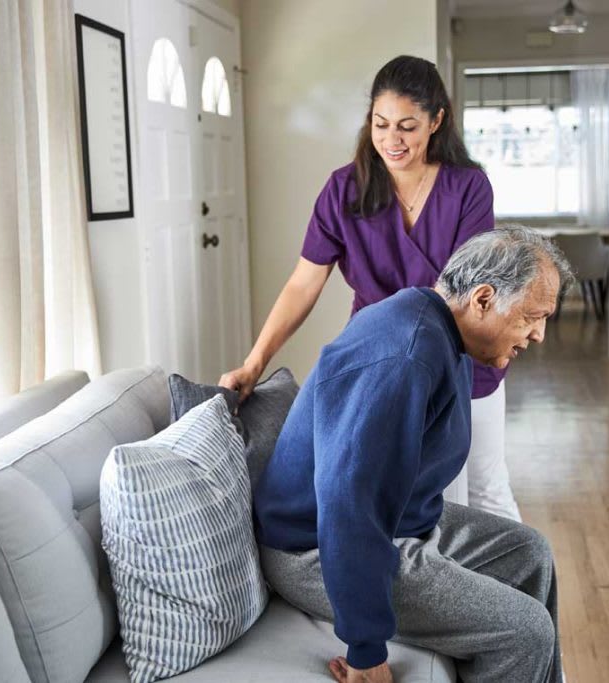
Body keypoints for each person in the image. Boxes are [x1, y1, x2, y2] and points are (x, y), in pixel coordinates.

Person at [254, 227, 573, 683]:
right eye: (531, 317)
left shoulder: (444, 331)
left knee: (529, 552)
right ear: (482, 299)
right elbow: (348, 504)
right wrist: (366, 649)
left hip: (400, 523)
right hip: (314, 548)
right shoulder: (403, 356)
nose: (539, 334)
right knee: (525, 632)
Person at [220, 55, 521, 520]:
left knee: (485, 492)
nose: (391, 140)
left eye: (407, 126)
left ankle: (520, 590)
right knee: (400, 500)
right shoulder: (344, 190)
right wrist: (255, 362)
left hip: (461, 363)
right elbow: (304, 283)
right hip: (380, 366)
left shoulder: (468, 188)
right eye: (381, 124)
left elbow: (469, 291)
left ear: (436, 121)